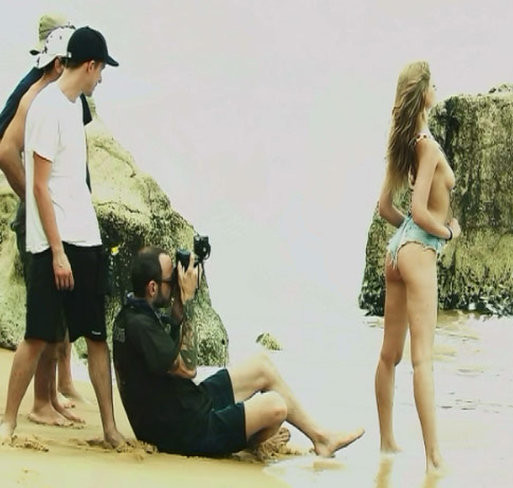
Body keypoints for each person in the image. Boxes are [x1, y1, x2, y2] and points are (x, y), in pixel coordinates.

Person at [113, 246, 364, 457]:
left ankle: (321, 438)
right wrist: (188, 301)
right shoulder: (140, 326)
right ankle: (249, 441)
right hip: (186, 431)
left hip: (186, 406)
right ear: (153, 287)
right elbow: (188, 368)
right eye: (171, 280)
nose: (176, 282)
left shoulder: (133, 315)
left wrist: (178, 306)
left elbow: (168, 357)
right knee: (276, 407)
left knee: (262, 364)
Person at [0, 26, 124, 447]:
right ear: (88, 65)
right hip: (52, 243)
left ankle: (110, 430)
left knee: (96, 337)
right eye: (101, 70)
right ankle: (8, 422)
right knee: (37, 335)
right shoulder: (46, 107)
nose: (101, 78)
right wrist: (56, 251)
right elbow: (39, 185)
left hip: (85, 238)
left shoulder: (74, 107)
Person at [0, 14, 91, 428]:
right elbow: (6, 151)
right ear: (59, 62)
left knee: (57, 315)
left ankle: (50, 394)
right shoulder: (36, 94)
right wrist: (35, 203)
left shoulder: (60, 98)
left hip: (60, 214)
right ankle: (36, 404)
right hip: (43, 218)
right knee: (44, 318)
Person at [374, 61, 461, 473]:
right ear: (424, 93)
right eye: (433, 83)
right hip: (418, 251)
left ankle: (387, 444)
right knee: (422, 359)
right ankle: (434, 458)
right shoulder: (426, 145)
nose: (436, 88)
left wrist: (406, 236)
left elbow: (385, 208)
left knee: (389, 355)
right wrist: (447, 233)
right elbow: (420, 210)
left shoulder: (405, 142)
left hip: (396, 252)